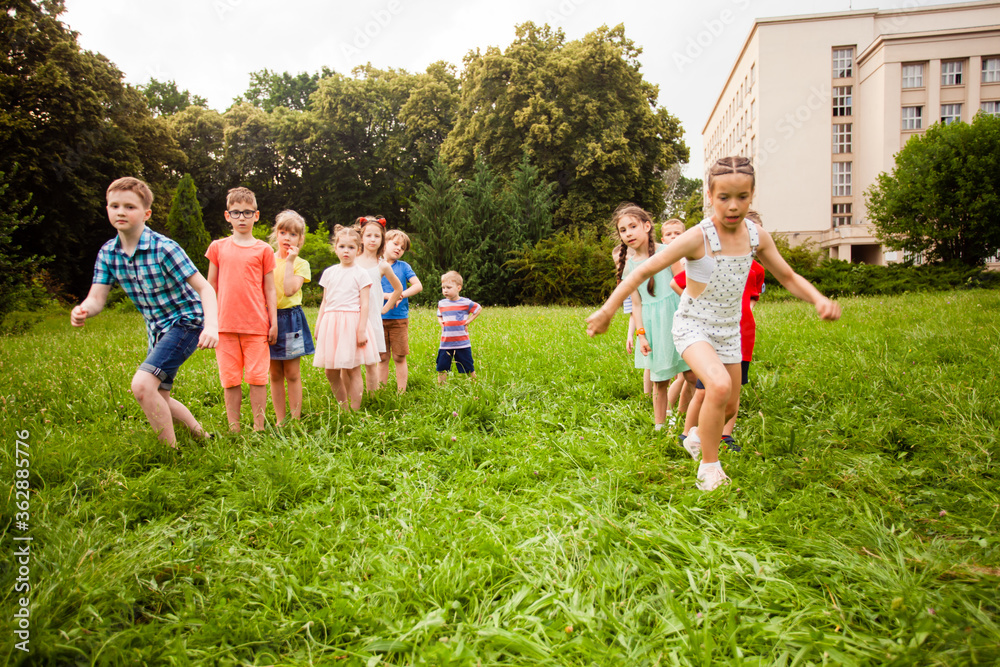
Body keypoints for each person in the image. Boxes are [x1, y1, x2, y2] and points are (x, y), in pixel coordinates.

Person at [586, 156, 841, 491]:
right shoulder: (697, 237)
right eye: (724, 198)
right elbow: (645, 270)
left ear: (751, 196)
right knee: (717, 386)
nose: (733, 206)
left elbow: (788, 276)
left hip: (728, 329)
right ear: (709, 195)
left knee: (730, 403)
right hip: (693, 325)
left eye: (742, 197)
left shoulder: (755, 236)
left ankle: (696, 436)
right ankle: (709, 467)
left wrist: (818, 299)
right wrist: (607, 310)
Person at [71, 177, 219, 447]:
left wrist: (211, 327)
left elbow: (205, 289)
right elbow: (97, 298)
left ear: (146, 213)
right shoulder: (108, 253)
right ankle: (202, 437)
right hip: (157, 328)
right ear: (107, 209)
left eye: (129, 207)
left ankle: (169, 453)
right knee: (159, 395)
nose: (120, 212)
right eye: (114, 206)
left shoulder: (165, 248)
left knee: (142, 386)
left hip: (187, 322)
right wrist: (83, 309)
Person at [674, 209, 767, 452]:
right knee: (707, 390)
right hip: (704, 333)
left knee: (731, 403)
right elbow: (677, 281)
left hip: (738, 335)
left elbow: (753, 298)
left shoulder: (757, 269)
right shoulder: (713, 258)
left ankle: (716, 436)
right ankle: (690, 437)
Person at [206, 187, 277, 433]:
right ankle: (233, 428)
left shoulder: (264, 250)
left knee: (258, 379)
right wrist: (209, 322)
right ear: (228, 216)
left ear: (256, 215)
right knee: (230, 379)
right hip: (224, 326)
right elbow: (210, 287)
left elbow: (270, 289)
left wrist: (273, 321)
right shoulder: (217, 247)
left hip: (256, 325)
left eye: (247, 212)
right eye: (236, 213)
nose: (242, 218)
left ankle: (259, 427)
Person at [613, 205, 689, 431]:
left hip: (677, 317)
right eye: (623, 230)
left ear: (647, 226)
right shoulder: (627, 265)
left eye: (633, 226)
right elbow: (636, 303)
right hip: (653, 324)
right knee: (660, 380)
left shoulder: (669, 251)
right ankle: (660, 427)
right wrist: (641, 334)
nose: (628, 233)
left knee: (692, 374)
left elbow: (682, 284)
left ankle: (691, 420)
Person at [313, 225, 379, 411]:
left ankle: (354, 410)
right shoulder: (329, 273)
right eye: (342, 247)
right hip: (331, 323)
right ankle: (343, 406)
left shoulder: (361, 273)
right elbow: (325, 302)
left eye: (351, 247)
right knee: (330, 370)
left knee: (352, 368)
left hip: (352, 323)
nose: (346, 251)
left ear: (358, 250)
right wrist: (319, 325)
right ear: (335, 248)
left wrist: (361, 329)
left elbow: (365, 304)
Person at [268, 209, 314, 425]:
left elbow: (288, 290)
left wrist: (289, 261)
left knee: (292, 373)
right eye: (283, 232)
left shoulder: (300, 264)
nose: (287, 238)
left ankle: (295, 418)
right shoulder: (265, 259)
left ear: (301, 239)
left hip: (291, 319)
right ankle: (280, 420)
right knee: (275, 374)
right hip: (268, 318)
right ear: (276, 234)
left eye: (293, 234)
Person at [355, 216, 403, 392]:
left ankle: (373, 398)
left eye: (377, 236)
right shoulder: (353, 260)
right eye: (368, 235)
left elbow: (398, 289)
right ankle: (353, 397)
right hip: (352, 315)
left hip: (372, 317)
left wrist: (385, 308)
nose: (373, 239)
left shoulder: (382, 265)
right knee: (352, 362)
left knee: (371, 362)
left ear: (382, 239)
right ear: (361, 237)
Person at [659, 218, 696, 423]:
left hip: (688, 316)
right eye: (670, 234)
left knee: (687, 372)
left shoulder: (689, 258)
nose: (674, 237)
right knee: (681, 372)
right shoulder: (662, 258)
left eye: (678, 234)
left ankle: (682, 412)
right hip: (671, 315)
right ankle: (670, 410)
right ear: (663, 239)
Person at [378, 229, 423, 392]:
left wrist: (400, 294)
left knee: (399, 356)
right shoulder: (375, 265)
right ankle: (380, 391)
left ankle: (401, 392)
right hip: (378, 318)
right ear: (384, 243)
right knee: (382, 357)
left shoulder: (404, 267)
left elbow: (418, 286)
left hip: (399, 319)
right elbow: (368, 289)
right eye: (395, 244)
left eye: (402, 248)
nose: (398, 248)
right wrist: (388, 296)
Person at [437, 271, 482, 384]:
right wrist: (440, 322)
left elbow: (478, 309)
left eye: (448, 287)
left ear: (458, 288)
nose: (445, 290)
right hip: (445, 343)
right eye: (443, 288)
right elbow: (439, 315)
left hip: (462, 342)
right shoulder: (442, 303)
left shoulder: (465, 302)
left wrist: (468, 321)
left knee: (468, 366)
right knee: (442, 367)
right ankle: (441, 387)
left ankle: (474, 385)